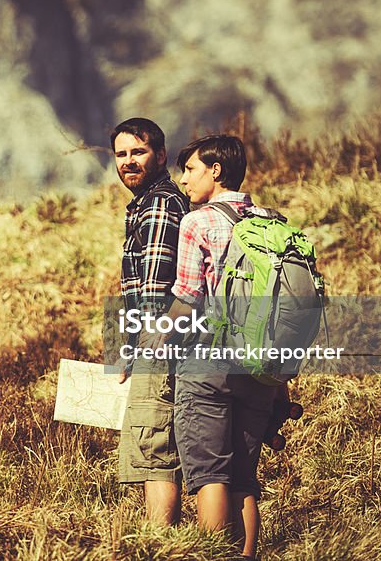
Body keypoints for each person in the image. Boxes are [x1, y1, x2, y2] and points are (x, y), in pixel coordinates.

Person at [166, 134, 277, 559]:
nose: (184, 180)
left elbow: (189, 299)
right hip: (260, 366)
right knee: (244, 478)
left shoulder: (198, 222)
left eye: (191, 169)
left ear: (216, 171)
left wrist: (156, 340)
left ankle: (209, 556)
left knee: (209, 474)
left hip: (209, 362)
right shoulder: (271, 220)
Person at [110, 118, 190, 525]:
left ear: (160, 155)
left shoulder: (159, 203)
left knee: (154, 446)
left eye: (137, 152)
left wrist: (139, 346)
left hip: (158, 344)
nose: (128, 162)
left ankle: (161, 541)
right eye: (121, 155)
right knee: (154, 441)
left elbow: (155, 287)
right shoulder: (148, 203)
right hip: (159, 341)